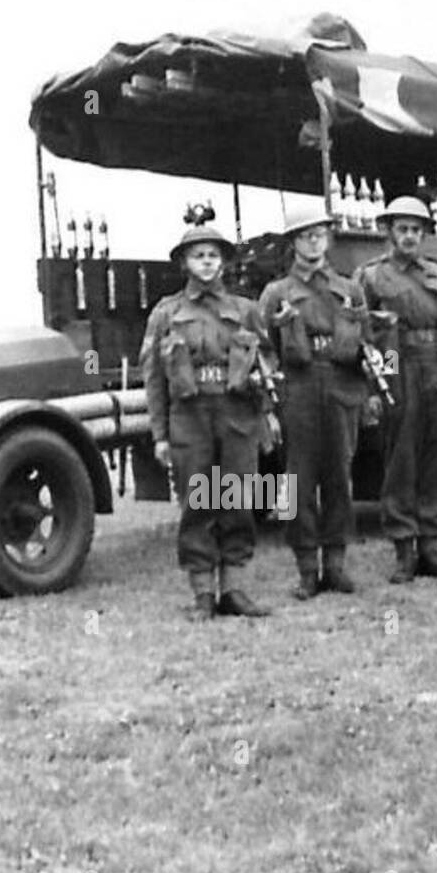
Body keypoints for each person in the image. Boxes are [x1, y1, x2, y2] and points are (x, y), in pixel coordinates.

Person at [139, 224, 274, 618]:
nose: (206, 263)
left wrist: (265, 412)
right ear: (184, 262)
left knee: (236, 500)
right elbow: (154, 380)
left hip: (236, 416)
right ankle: (202, 593)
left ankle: (233, 588)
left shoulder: (246, 310)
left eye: (213, 255)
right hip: (190, 417)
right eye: (198, 256)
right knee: (198, 503)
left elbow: (267, 364)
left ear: (224, 262)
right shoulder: (166, 314)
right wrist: (160, 435)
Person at [258, 210, 370, 598]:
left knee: (339, 477)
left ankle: (335, 565)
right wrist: (269, 405)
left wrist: (369, 392)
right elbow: (263, 350)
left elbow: (368, 344)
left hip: (341, 386)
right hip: (299, 391)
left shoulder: (349, 289)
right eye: (305, 236)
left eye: (320, 234)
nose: (313, 242)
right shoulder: (277, 293)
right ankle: (307, 568)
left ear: (329, 239)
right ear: (293, 243)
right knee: (297, 483)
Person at [353, 196, 437, 583]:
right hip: (397, 363)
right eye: (402, 229)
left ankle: (431, 546)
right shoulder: (370, 276)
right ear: (388, 232)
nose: (410, 236)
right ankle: (403, 549)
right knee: (401, 459)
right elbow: (362, 333)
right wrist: (374, 388)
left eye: (416, 229)